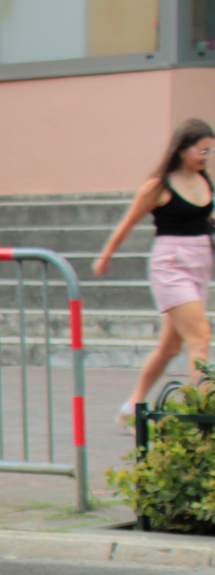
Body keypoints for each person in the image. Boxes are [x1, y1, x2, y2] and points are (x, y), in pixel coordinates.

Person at [97, 118, 215, 415]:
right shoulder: (159, 187)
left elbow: (205, 220)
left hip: (200, 262)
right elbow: (128, 223)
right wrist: (106, 256)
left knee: (170, 348)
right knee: (200, 336)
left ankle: (132, 405)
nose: (206, 157)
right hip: (171, 265)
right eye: (201, 151)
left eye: (209, 152)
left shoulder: (205, 181)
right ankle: (202, 414)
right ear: (182, 149)